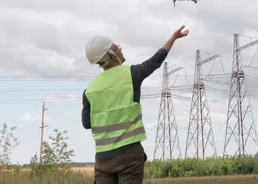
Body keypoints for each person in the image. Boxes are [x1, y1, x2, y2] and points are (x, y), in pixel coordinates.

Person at [81, 25, 189, 184]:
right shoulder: (131, 75)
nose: (120, 50)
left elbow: (87, 123)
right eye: (117, 47)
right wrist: (173, 38)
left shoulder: (89, 90)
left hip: (103, 160)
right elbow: (155, 61)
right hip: (129, 157)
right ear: (110, 55)